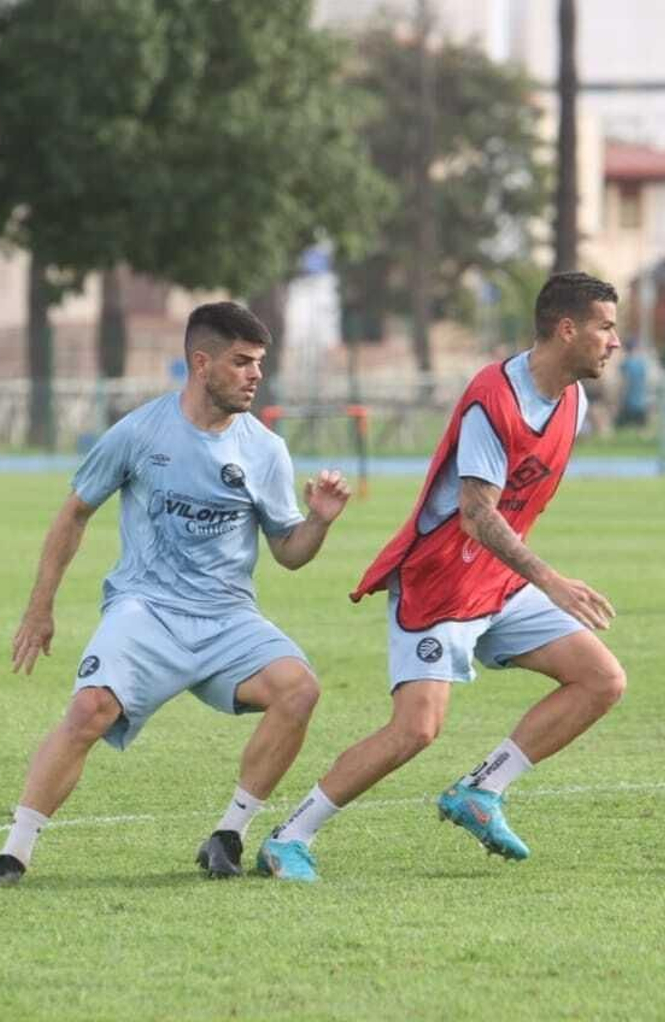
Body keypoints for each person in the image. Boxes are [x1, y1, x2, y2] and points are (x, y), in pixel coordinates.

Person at [254, 271, 627, 882]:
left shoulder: (574, 401)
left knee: (601, 679)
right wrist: (551, 580)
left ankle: (480, 792)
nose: (614, 341)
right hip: (441, 584)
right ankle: (288, 838)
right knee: (416, 729)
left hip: (497, 581)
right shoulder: (494, 400)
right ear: (567, 329)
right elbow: (478, 515)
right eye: (606, 327)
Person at [0, 302, 351, 888]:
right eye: (241, 362)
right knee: (89, 709)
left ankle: (229, 833)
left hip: (227, 619)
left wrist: (320, 522)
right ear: (202, 364)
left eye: (259, 364)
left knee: (299, 690)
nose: (255, 376)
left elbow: (288, 553)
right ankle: (14, 853)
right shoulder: (140, 432)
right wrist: (39, 607)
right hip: (145, 609)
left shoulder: (266, 450)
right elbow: (74, 513)